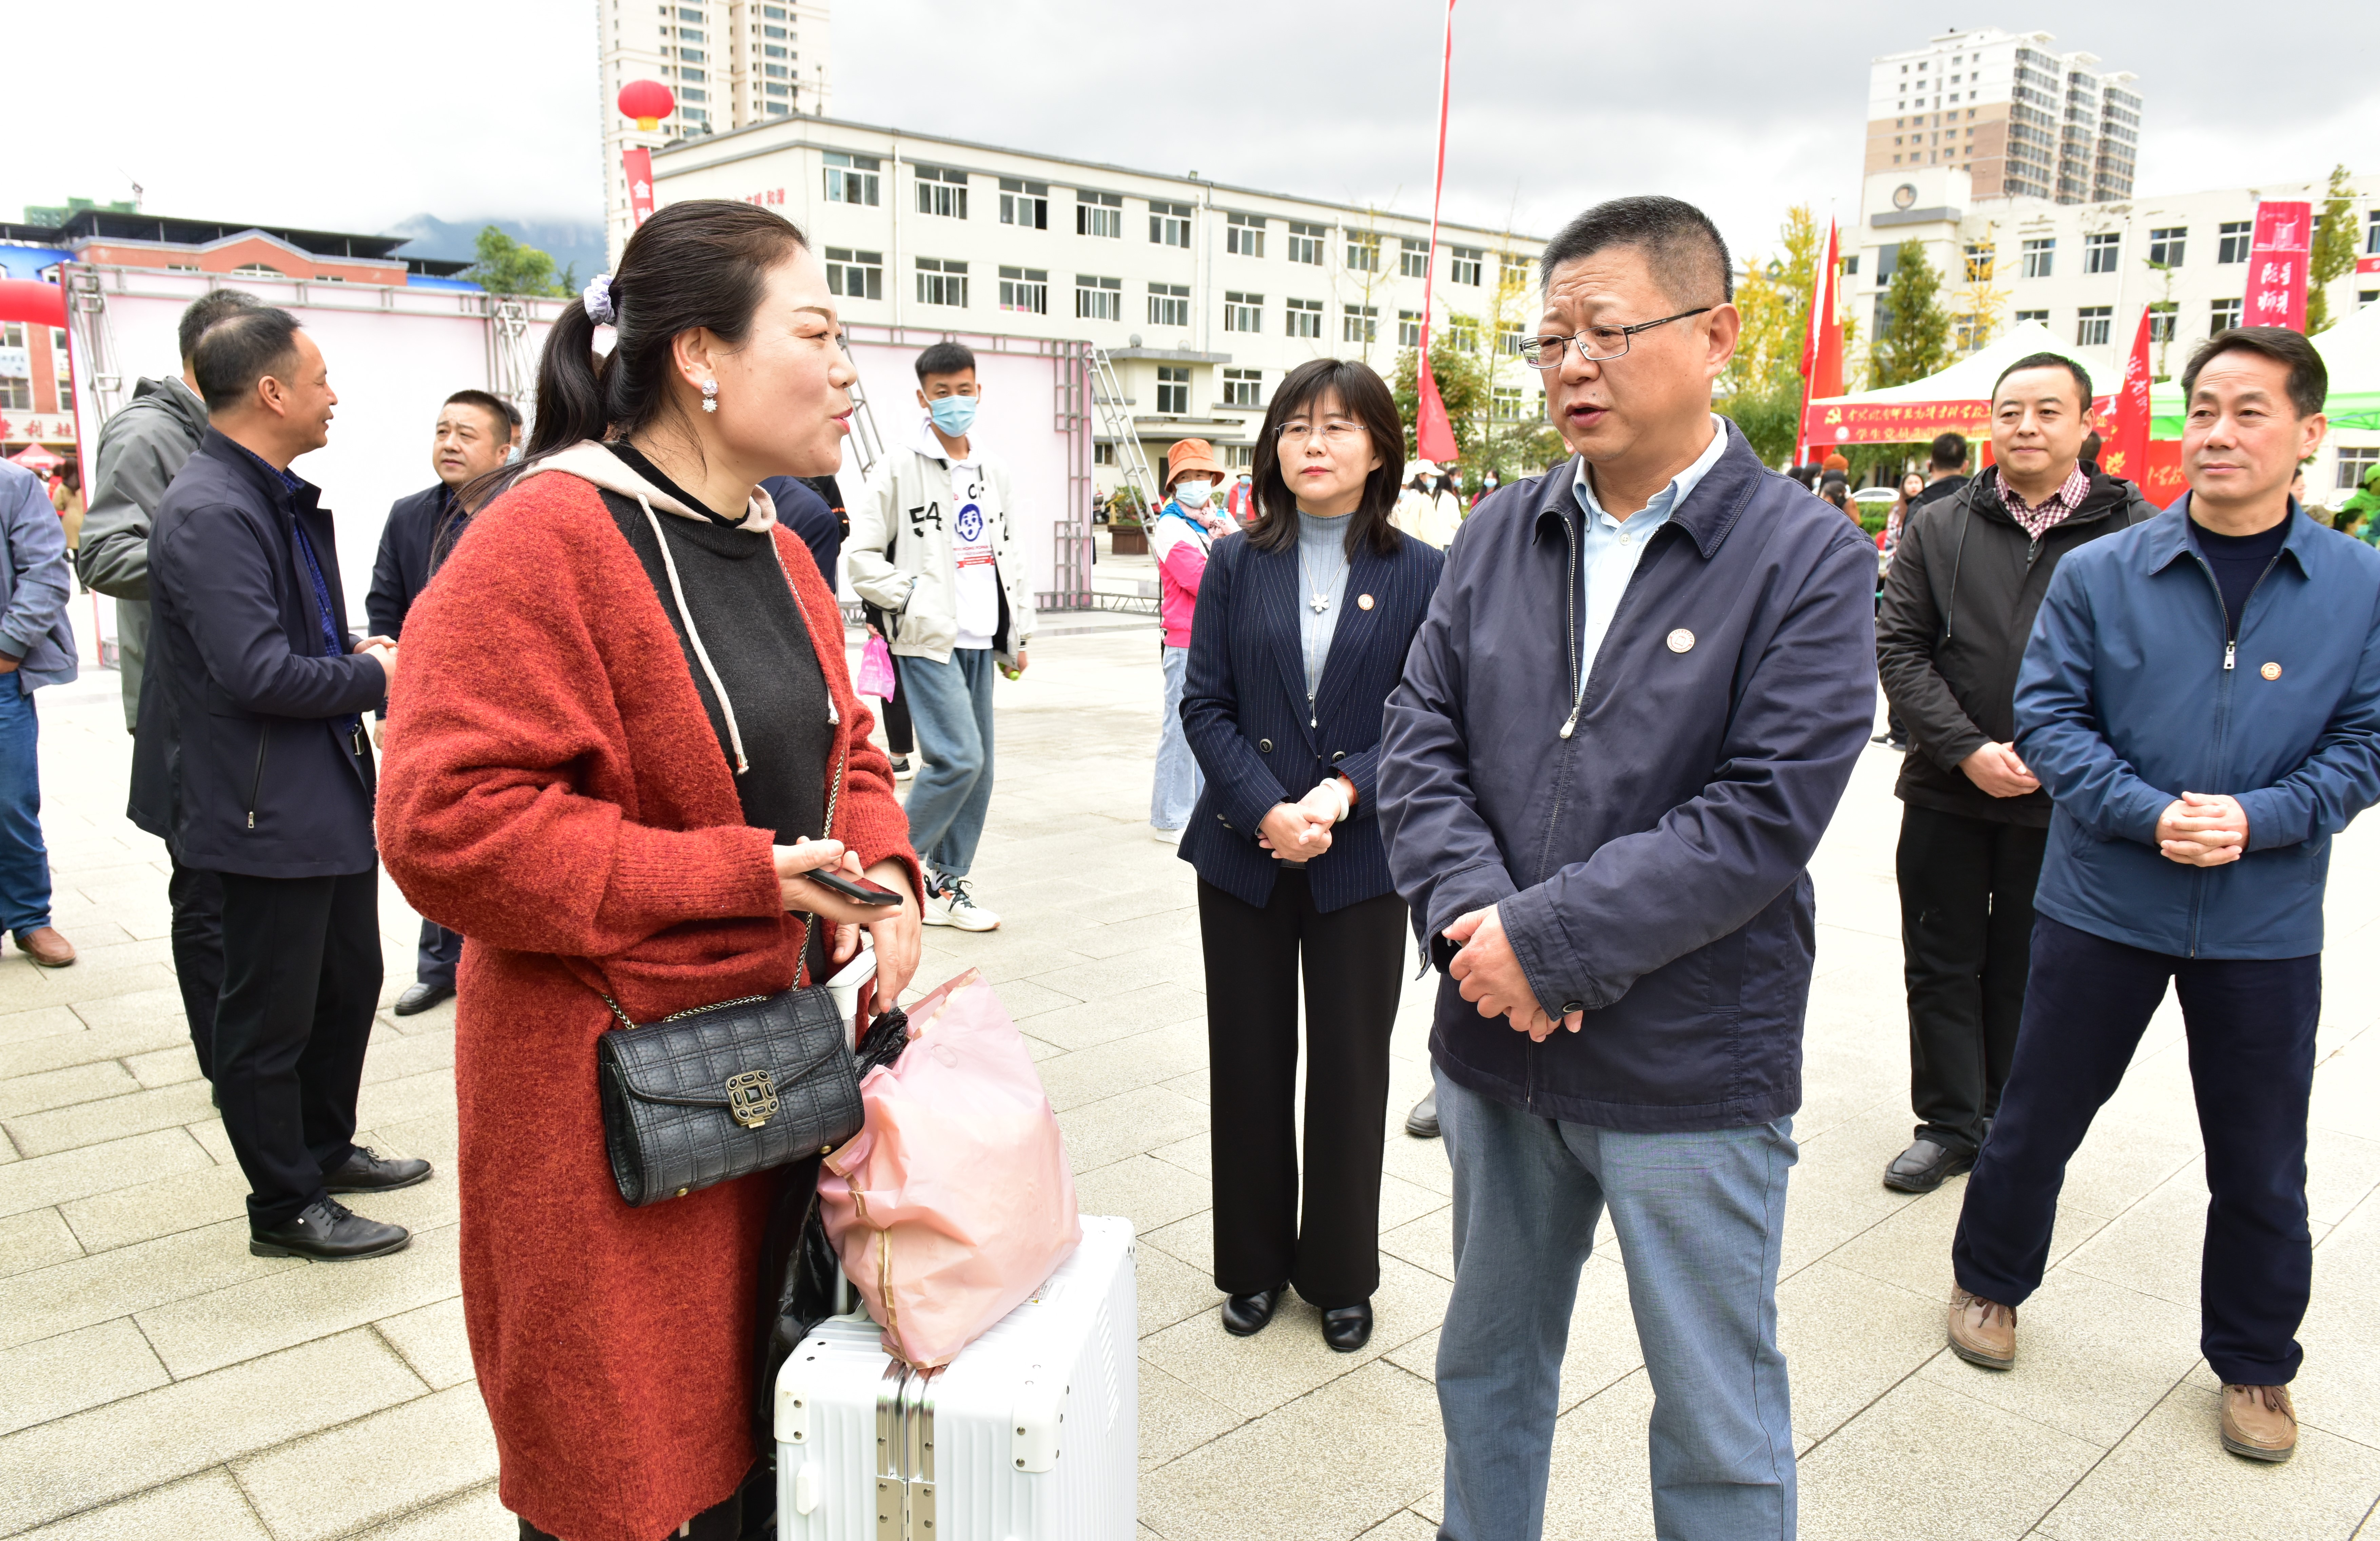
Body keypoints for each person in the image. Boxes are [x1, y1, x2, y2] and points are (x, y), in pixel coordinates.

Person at [377, 200, 923, 1541]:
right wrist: (741, 875)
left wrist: (887, 861)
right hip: (606, 1112)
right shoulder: (541, 538)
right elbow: (445, 824)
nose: (850, 371)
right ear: (698, 356)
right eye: (817, 334)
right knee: (621, 1476)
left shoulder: (782, 545)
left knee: (758, 1454)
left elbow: (847, 743)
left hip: (769, 1082)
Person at [1379, 195, 1876, 1541]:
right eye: (1550, 342)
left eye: (1604, 331)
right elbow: (1417, 737)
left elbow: (1762, 812)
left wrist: (1547, 947)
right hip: (1492, 1038)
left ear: (1713, 335)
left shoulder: (1806, 557)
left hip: (1685, 1060)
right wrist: (1482, 931)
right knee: (1483, 1365)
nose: (1570, 367)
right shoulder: (1498, 529)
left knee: (1715, 1414)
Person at [1948, 328, 2379, 1466]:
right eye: (2203, 411)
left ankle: (2255, 1359)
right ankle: (1987, 1280)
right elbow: (2049, 719)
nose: (2217, 433)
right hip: (2103, 901)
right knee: (2037, 1113)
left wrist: (2259, 818)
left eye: (2248, 411)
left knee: (2259, 1154)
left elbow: (2366, 739)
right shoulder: (2104, 570)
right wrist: (2147, 813)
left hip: (2262, 918)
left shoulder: (2357, 584)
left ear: (2306, 433)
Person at [144, 306, 424, 1264]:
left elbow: (284, 637)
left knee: (347, 983)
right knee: (269, 1014)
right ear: (270, 392)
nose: (332, 395)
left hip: (317, 786)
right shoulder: (214, 509)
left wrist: (350, 649)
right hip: (263, 803)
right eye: (320, 378)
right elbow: (256, 672)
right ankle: (285, 1202)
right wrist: (377, 676)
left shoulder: (267, 495)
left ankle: (325, 1147)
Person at [1181, 357, 1443, 1354]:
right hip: (1242, 856)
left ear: (1377, 448)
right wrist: (1264, 810)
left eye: (1336, 426)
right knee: (1247, 1064)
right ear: (1272, 447)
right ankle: (1249, 1264)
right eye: (1294, 426)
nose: (1313, 444)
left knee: (1348, 1071)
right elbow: (1204, 704)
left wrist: (1337, 795)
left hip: (1359, 860)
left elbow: (1424, 716)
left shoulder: (1422, 572)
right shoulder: (1233, 562)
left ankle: (1338, 1273)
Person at [1873, 352, 2157, 1196]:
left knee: (2029, 964)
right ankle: (1946, 1123)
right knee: (1938, 956)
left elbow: (2149, 666)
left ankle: (2006, 1119)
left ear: (2084, 424)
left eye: (2046, 411)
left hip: (2065, 797)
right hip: (1946, 787)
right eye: (2009, 412)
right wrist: (1965, 749)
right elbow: (1900, 647)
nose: (2025, 427)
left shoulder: (2136, 532)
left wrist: (2061, 754)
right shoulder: (1939, 524)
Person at [78, 287, 261, 1085]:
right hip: (184, 706)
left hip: (235, 696)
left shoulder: (223, 434)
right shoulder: (149, 432)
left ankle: (256, 1063)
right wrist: (217, 563)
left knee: (247, 897)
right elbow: (101, 554)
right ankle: (229, 1071)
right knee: (209, 895)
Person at [848, 341, 1035, 932]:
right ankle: (881, 873)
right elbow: (861, 558)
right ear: (922, 398)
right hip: (929, 638)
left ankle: (946, 883)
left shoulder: (992, 470)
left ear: (978, 391)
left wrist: (1018, 631)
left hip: (982, 636)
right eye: (942, 392)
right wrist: (912, 599)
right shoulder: (897, 467)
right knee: (958, 758)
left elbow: (1010, 555)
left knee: (981, 770)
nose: (955, 401)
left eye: (964, 390)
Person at [364, 389, 521, 1018]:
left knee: (503, 833)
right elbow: (385, 609)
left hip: (509, 704)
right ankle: (438, 967)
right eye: (441, 431)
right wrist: (386, 707)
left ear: (505, 451)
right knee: (436, 828)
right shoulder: (409, 515)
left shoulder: (526, 511)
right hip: (432, 701)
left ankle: (503, 961)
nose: (449, 444)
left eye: (465, 434)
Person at [0, 461, 80, 967]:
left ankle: (30, 916)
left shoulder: (13, 484)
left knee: (10, 802)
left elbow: (46, 574)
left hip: (0, 678)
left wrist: (8, 650)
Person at [1150, 438, 1228, 842]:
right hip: (1184, 641)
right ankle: (1169, 817)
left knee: (1211, 729)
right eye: (1189, 475)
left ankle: (1198, 813)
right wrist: (1228, 555)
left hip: (1217, 636)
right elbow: (1199, 578)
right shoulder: (1171, 526)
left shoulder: (1217, 520)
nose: (1198, 482)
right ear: (1175, 482)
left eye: (1203, 474)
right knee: (1180, 732)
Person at [48, 462, 83, 550]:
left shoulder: (63, 486)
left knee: (74, 549)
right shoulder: (85, 484)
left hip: (70, 519)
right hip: (86, 517)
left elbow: (56, 504)